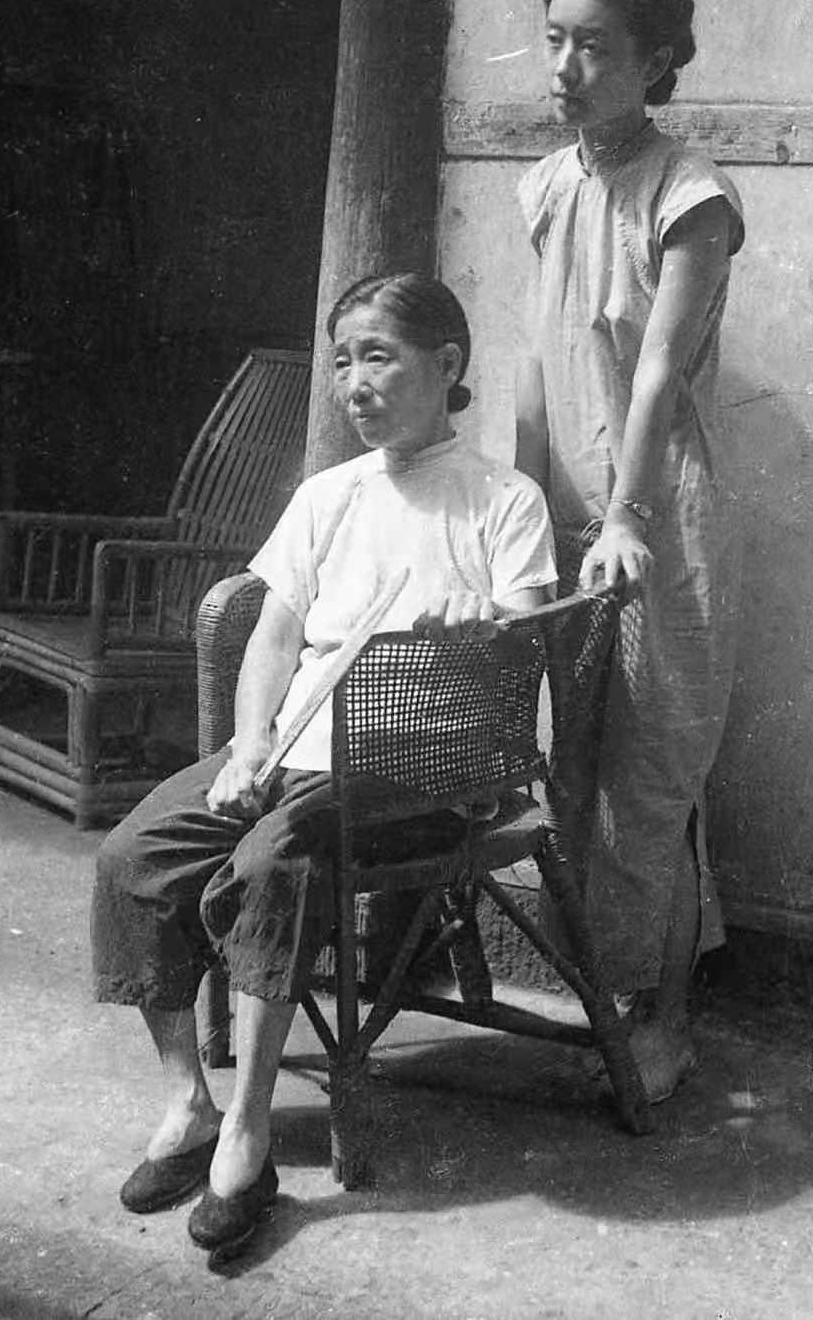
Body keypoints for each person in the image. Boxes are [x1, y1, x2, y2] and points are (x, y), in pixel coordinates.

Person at [91, 272, 557, 1256]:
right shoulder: (327, 496)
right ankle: (188, 1103)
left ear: (445, 364)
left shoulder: (501, 499)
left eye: (376, 355)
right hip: (295, 753)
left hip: (422, 771)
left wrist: (483, 622)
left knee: (275, 859)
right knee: (134, 855)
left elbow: (525, 639)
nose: (353, 382)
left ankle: (248, 1131)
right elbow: (273, 634)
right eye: (341, 360)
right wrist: (249, 743)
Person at [514, 0, 745, 1105]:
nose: (564, 66)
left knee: (651, 777)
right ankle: (598, 993)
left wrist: (624, 515)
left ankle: (667, 1022)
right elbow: (537, 357)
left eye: (594, 46)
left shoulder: (690, 196)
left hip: (656, 517)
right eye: (554, 39)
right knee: (566, 765)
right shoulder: (547, 185)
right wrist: (516, 513)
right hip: (564, 509)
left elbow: (653, 372)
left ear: (653, 62)